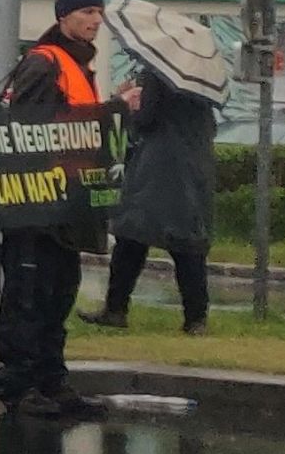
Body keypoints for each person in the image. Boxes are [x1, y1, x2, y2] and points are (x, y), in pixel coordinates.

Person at [0, 0, 116, 419]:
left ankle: (51, 380)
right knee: (28, 295)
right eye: (86, 13)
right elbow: (25, 132)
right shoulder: (45, 64)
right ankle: (20, 384)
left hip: (69, 203)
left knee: (59, 292)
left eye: (98, 13)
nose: (95, 21)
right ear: (63, 17)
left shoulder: (78, 66)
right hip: (36, 204)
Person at [86, 35, 217, 334]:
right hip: (194, 169)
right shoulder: (199, 83)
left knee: (131, 236)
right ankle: (196, 318)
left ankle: (116, 308)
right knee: (187, 244)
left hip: (157, 168)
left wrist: (128, 105)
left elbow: (145, 121)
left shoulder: (158, 76)